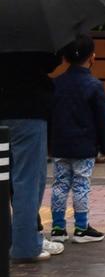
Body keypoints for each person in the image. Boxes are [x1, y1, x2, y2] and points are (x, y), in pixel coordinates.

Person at [0, 48, 64, 262]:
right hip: (28, 110)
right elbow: (50, 62)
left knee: (2, 180)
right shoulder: (36, 29)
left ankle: (6, 240)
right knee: (27, 181)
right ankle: (25, 246)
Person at [48, 35, 105, 245]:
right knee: (81, 185)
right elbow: (102, 119)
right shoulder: (94, 85)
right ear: (92, 57)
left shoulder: (56, 84)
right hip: (84, 146)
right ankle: (81, 228)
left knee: (59, 185)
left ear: (64, 58)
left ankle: (58, 228)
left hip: (59, 144)